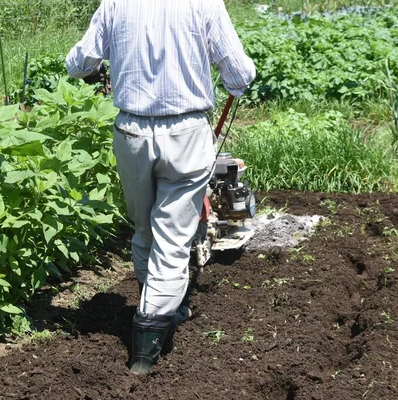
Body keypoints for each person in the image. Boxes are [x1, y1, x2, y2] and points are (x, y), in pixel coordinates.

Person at [65, 0, 255, 374]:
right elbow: (240, 73)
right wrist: (235, 83)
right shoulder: (204, 4)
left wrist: (100, 71)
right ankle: (146, 349)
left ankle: (159, 302)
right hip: (186, 133)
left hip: (131, 133)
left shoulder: (115, 4)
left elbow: (79, 62)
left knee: (144, 229)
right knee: (171, 238)